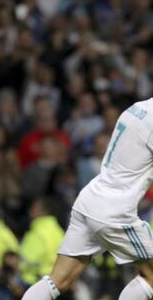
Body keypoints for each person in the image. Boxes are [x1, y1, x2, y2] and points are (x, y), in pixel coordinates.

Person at [22, 100, 153, 300]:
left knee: (57, 281)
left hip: (90, 199)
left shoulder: (137, 108)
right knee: (150, 277)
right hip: (115, 211)